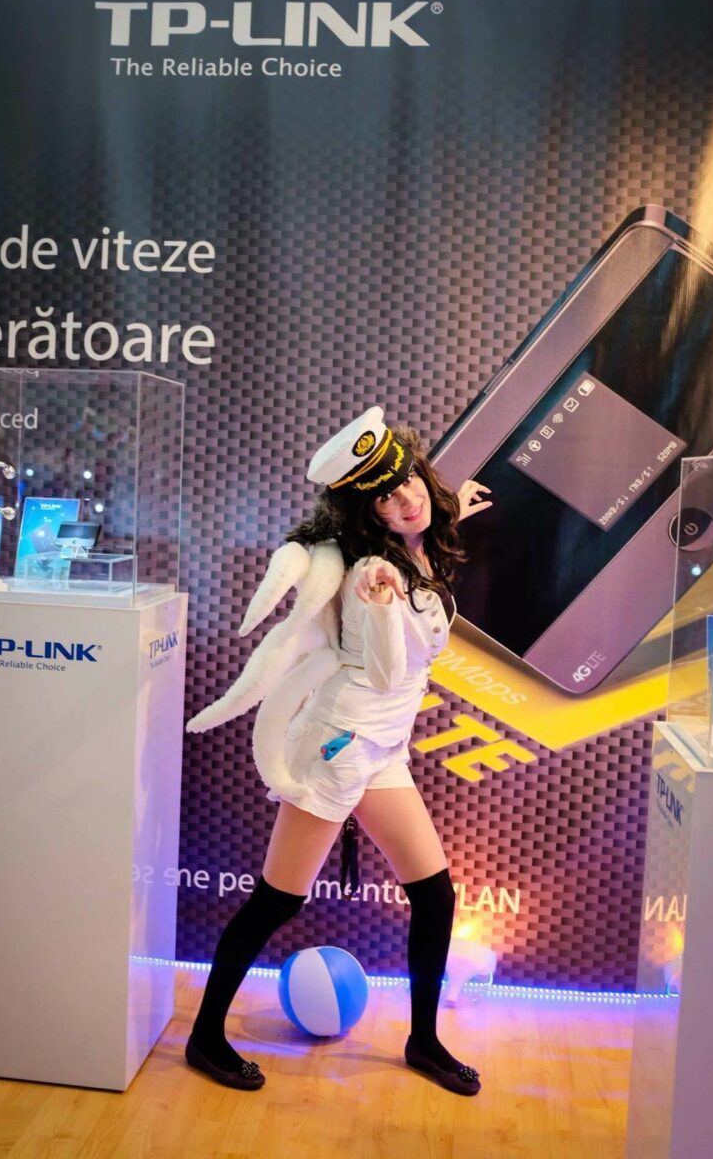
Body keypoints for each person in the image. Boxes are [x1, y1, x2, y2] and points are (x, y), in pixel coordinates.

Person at [185, 407, 492, 1094]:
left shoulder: (417, 542)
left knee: (435, 896)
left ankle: (423, 1041)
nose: (406, 499)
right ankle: (205, 1038)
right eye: (386, 498)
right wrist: (377, 605)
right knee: (276, 901)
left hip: (383, 749)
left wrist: (450, 510)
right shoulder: (372, 573)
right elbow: (384, 670)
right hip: (341, 746)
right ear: (367, 514)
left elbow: (427, 525)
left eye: (409, 481)